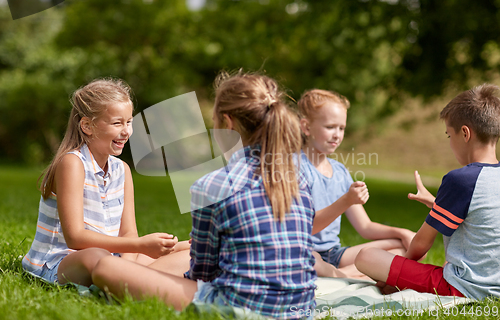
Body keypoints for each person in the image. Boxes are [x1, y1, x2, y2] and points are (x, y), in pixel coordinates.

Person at [91, 72, 368, 319]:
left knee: (106, 268)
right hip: (301, 307)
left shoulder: (211, 184)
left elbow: (203, 273)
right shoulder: (298, 179)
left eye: (213, 120)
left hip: (240, 306)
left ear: (227, 122)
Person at [22, 78, 189, 287]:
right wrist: (139, 246)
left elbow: (128, 233)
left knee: (193, 251)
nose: (126, 131)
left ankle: (129, 277)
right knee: (96, 257)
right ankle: (139, 278)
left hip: (113, 257)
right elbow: (75, 237)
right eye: (117, 123)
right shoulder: (72, 163)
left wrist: (133, 254)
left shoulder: (122, 170)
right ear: (87, 126)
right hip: (61, 261)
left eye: (129, 122)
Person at [355, 84, 500, 299]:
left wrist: (397, 275)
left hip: (465, 288)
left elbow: (422, 244)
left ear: (465, 133)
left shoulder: (461, 180)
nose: (450, 143)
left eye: (449, 136)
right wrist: (436, 204)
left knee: (366, 256)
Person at [298, 89, 416, 278]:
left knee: (403, 248)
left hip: (334, 254)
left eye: (341, 128)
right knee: (310, 261)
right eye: (330, 127)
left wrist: (402, 232)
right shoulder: (295, 168)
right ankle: (348, 275)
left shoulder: (340, 172)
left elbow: (365, 227)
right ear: (306, 127)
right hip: (304, 250)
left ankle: (339, 275)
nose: (337, 135)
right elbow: (305, 227)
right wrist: (346, 200)